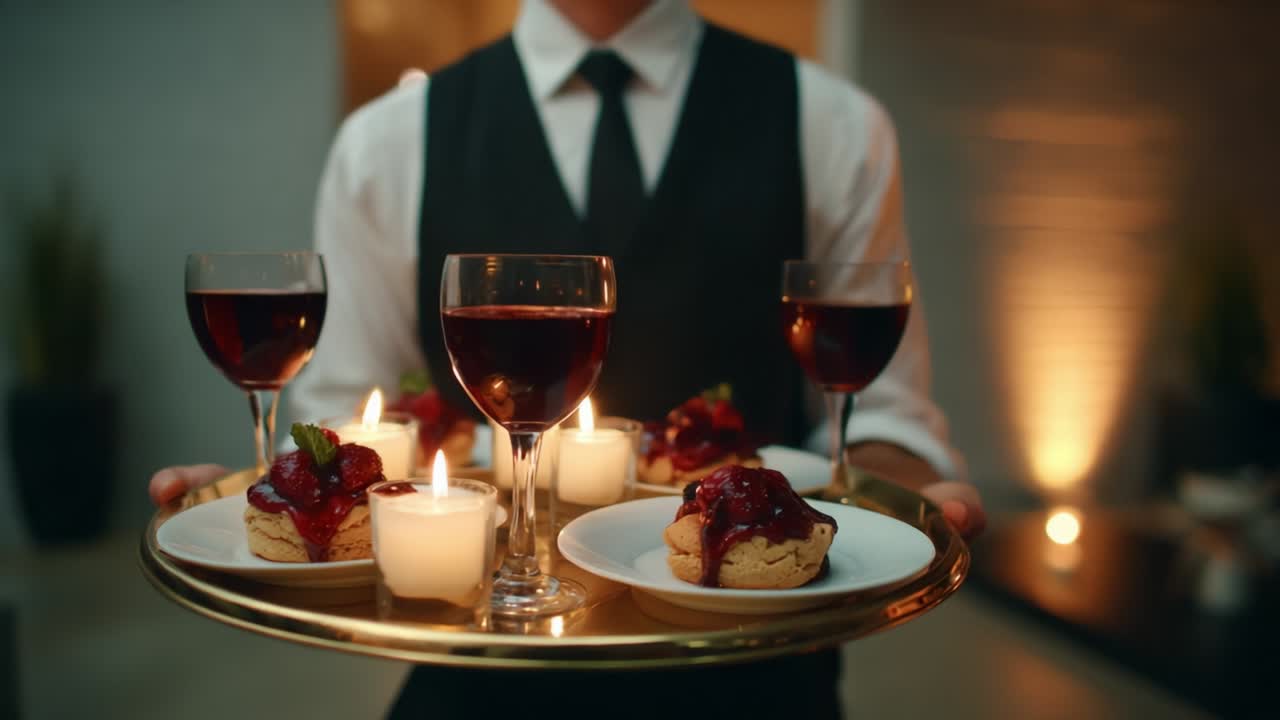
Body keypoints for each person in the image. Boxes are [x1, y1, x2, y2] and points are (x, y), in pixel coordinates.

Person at [152, 1, 984, 716]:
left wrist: (899, 498)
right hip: (474, 696)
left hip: (765, 690)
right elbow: (353, 418)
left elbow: (880, 413)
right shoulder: (385, 142)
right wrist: (255, 495)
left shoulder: (834, 123)